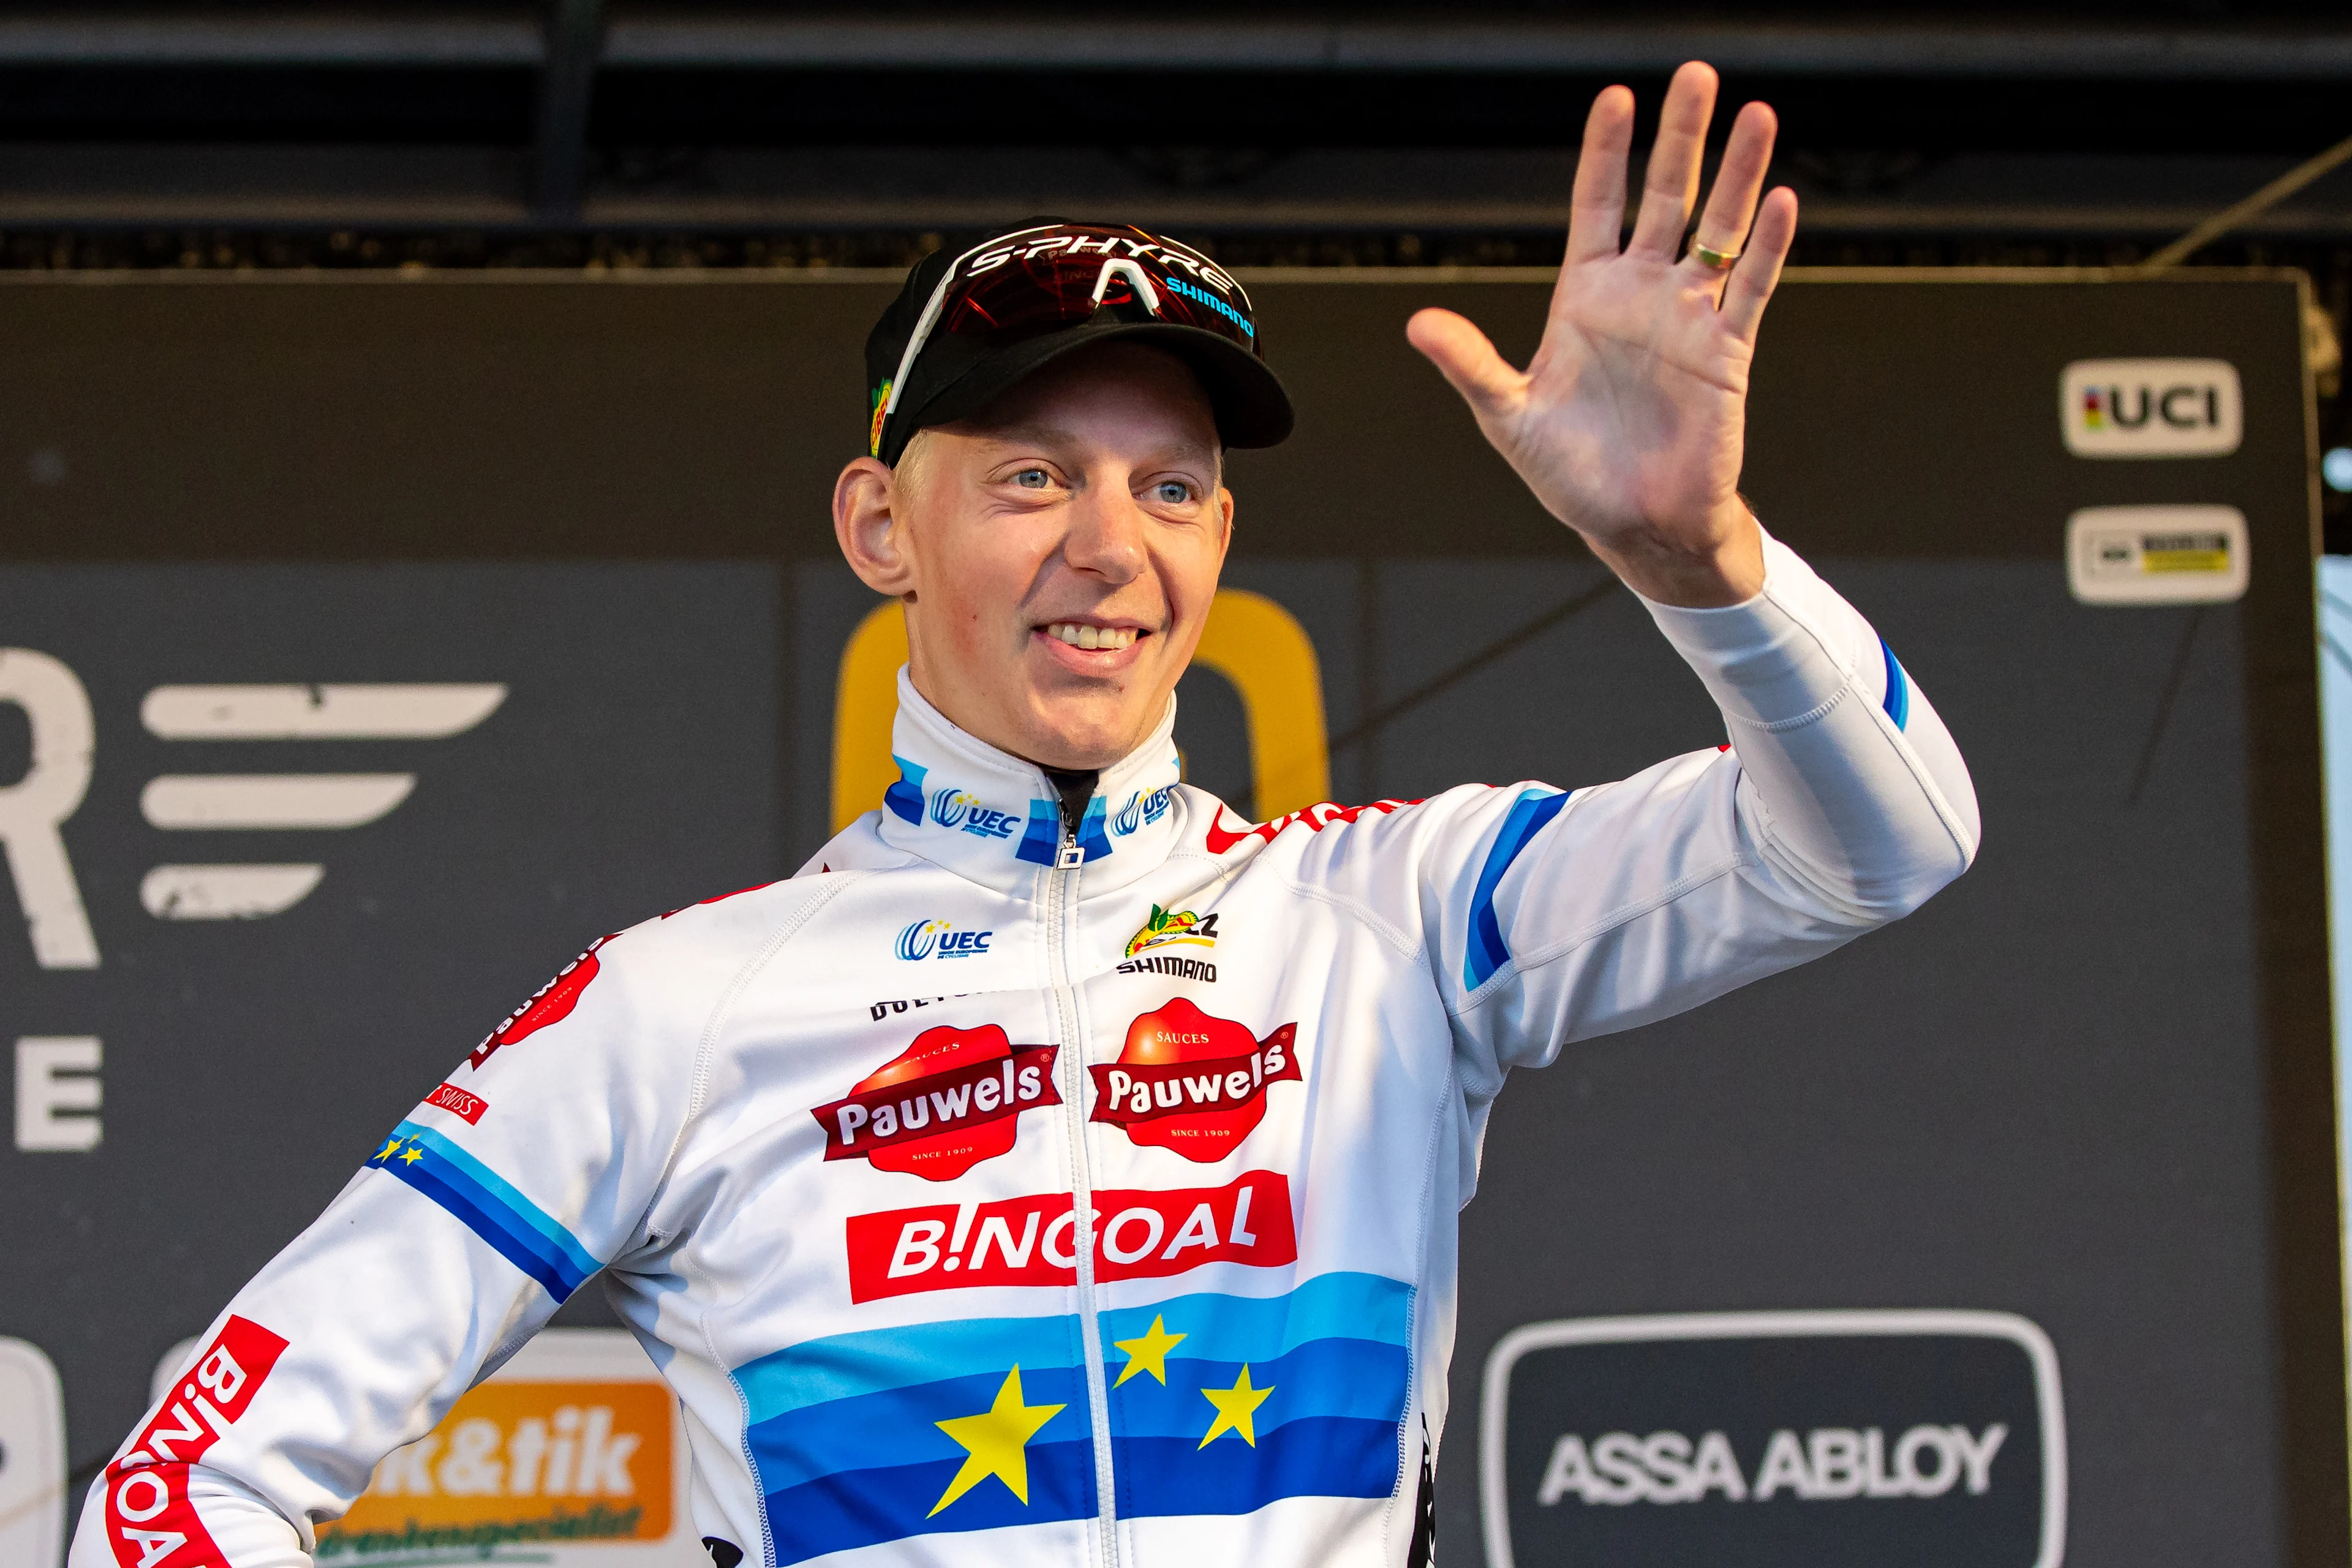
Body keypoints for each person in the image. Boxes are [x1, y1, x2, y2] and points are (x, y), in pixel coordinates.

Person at [75, 62, 1977, 1568]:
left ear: (1223, 539)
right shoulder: (682, 1005)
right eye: (1031, 474)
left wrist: (1696, 555)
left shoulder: (1389, 915)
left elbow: (1885, 841)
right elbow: (181, 1495)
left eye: (1168, 489)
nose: (1106, 550)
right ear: (880, 525)